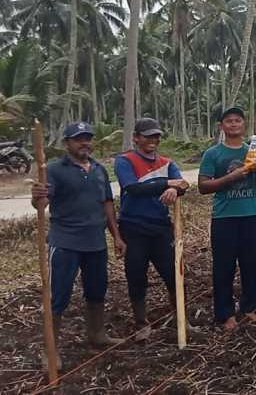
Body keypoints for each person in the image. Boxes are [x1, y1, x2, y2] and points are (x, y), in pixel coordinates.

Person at [30, 122, 125, 367]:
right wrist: (36, 196)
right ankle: (49, 350)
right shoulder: (53, 170)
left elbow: (107, 204)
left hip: (95, 242)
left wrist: (116, 235)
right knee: (57, 296)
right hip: (66, 242)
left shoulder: (99, 170)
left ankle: (96, 334)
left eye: (87, 138)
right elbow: (41, 205)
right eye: (78, 139)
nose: (84, 143)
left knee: (97, 290)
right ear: (67, 143)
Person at [114, 118, 190, 339]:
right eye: (148, 136)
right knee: (136, 275)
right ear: (136, 138)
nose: (153, 140)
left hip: (161, 228)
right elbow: (133, 188)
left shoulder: (167, 163)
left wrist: (176, 190)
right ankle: (141, 323)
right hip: (134, 227)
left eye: (156, 136)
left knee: (175, 273)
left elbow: (182, 184)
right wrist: (168, 184)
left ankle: (181, 319)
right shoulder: (124, 161)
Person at [198, 107, 256, 331]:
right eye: (228, 121)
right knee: (224, 267)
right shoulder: (213, 154)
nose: (233, 124)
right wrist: (231, 177)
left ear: (244, 125)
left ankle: (250, 308)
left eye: (237, 121)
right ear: (222, 126)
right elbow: (203, 186)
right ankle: (225, 314)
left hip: (250, 214)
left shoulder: (253, 151)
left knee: (252, 264)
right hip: (224, 217)